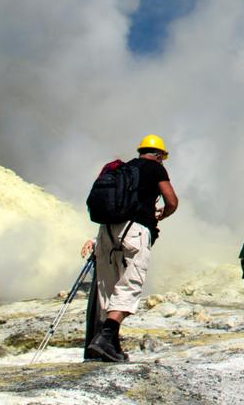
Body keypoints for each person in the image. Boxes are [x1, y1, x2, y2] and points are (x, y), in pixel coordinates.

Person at [86, 134, 178, 363]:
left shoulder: (123, 169)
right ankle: (105, 338)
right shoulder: (155, 169)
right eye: (163, 157)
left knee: (108, 289)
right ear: (158, 155)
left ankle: (111, 348)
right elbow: (172, 201)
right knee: (130, 285)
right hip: (135, 230)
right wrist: (161, 215)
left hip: (106, 231)